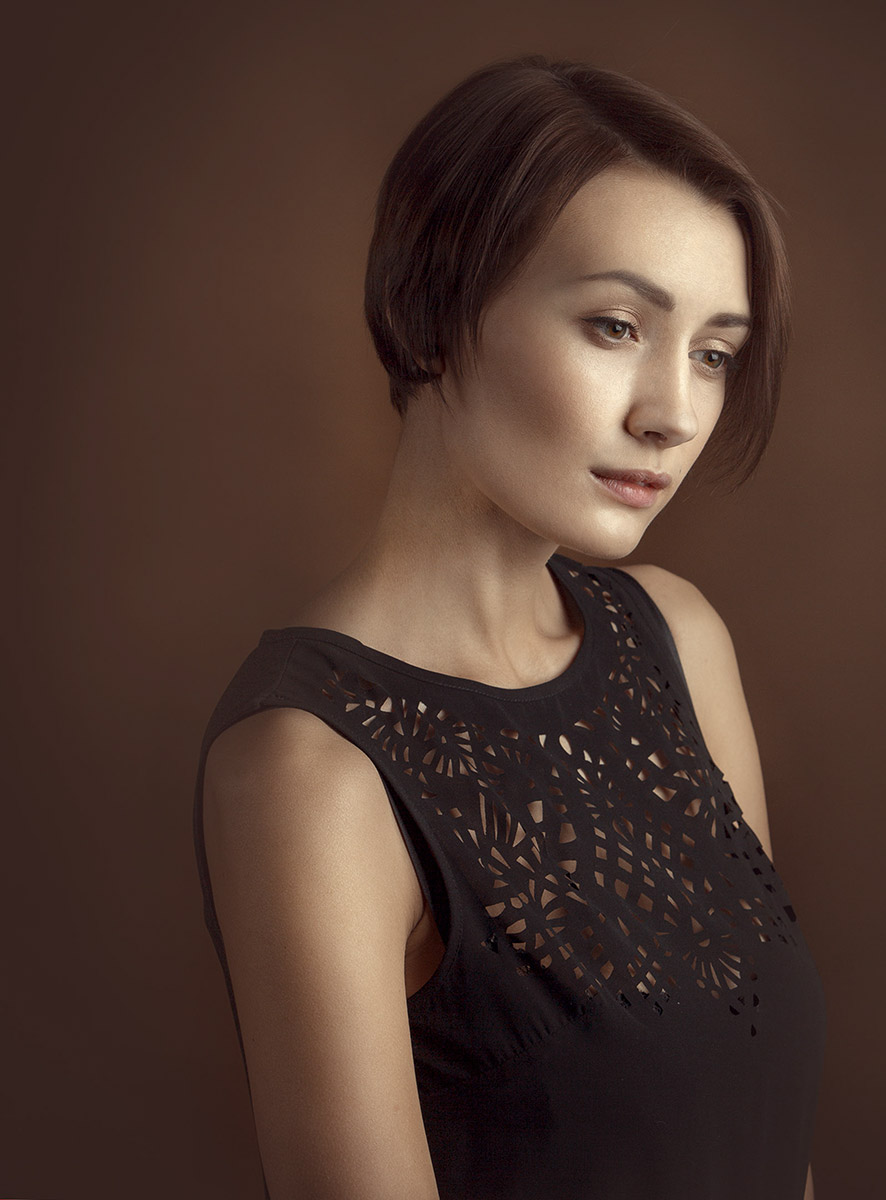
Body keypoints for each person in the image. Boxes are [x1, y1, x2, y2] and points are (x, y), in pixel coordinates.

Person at [194, 56, 825, 1200]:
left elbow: (766, 1131)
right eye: (615, 325)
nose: (674, 413)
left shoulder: (678, 642)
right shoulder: (307, 772)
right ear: (434, 311)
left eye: (712, 354)